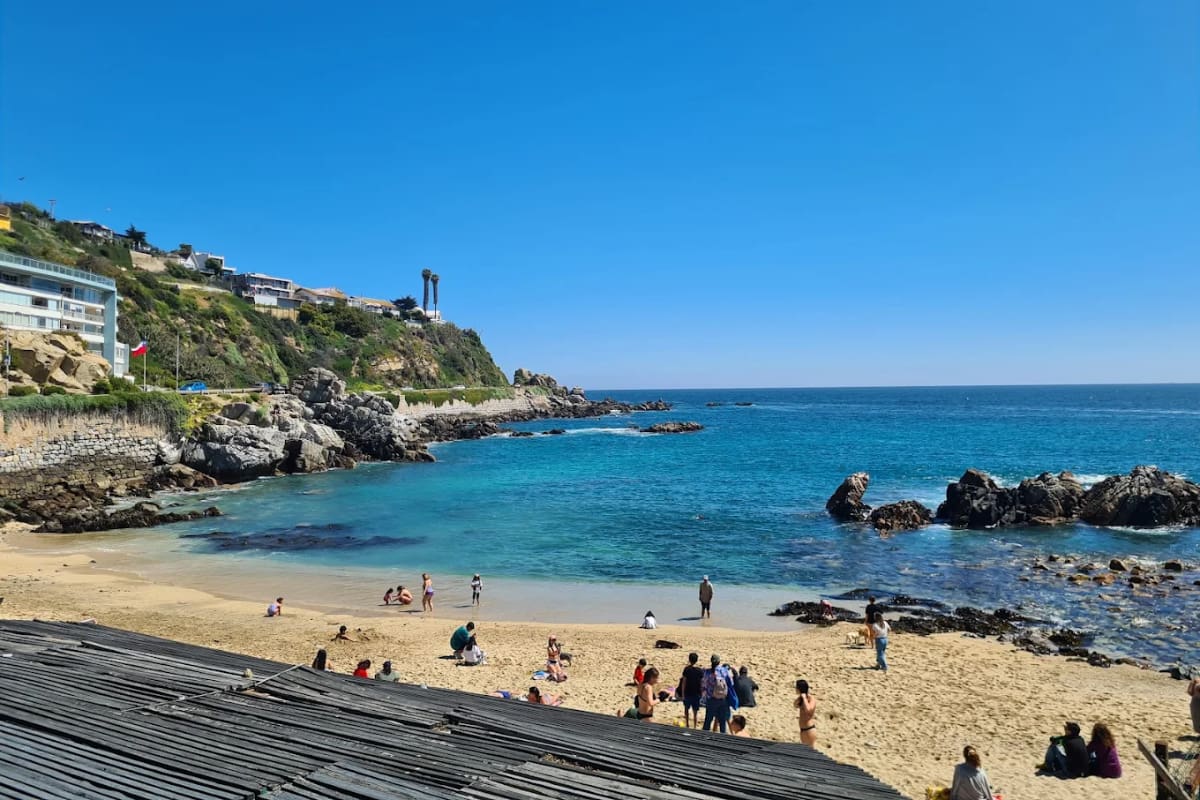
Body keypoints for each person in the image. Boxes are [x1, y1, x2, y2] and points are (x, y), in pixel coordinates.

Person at [702, 653, 738, 732]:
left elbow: (704, 685)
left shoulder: (707, 672)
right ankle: (722, 737)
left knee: (708, 720)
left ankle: (703, 737)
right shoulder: (724, 671)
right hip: (722, 699)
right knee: (722, 722)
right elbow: (731, 683)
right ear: (719, 662)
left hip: (711, 699)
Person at [679, 652, 704, 728]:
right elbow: (701, 683)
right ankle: (695, 726)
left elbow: (684, 682)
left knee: (686, 709)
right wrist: (702, 693)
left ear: (689, 660)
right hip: (696, 693)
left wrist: (683, 694)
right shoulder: (700, 670)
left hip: (688, 693)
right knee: (695, 711)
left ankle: (687, 724)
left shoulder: (686, 669)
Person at [795, 679, 817, 745]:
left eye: (796, 687)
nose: (795, 689)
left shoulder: (811, 699)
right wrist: (800, 697)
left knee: (809, 749)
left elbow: (808, 710)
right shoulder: (801, 699)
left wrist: (805, 698)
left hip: (809, 729)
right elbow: (795, 705)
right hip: (803, 730)